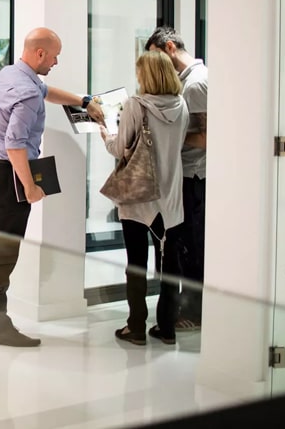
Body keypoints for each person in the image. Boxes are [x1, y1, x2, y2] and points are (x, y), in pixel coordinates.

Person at [0, 27, 105, 347]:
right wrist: (29, 186)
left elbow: (47, 91)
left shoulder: (9, 75)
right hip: (10, 174)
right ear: (40, 53)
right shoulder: (26, 91)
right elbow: (15, 144)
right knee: (4, 252)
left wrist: (84, 100)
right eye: (54, 56)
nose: (56, 61)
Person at [100, 50, 188, 346]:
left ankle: (136, 327)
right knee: (170, 266)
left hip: (139, 199)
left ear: (145, 75)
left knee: (136, 263)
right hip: (172, 198)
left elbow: (118, 149)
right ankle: (167, 328)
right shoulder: (182, 105)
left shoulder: (135, 105)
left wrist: (105, 132)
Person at [145, 27, 208, 332]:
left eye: (156, 57)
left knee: (191, 247)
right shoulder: (186, 83)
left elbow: (207, 138)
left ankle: (194, 313)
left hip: (193, 175)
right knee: (183, 245)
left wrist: (170, 137)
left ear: (169, 47)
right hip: (185, 174)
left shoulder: (195, 85)